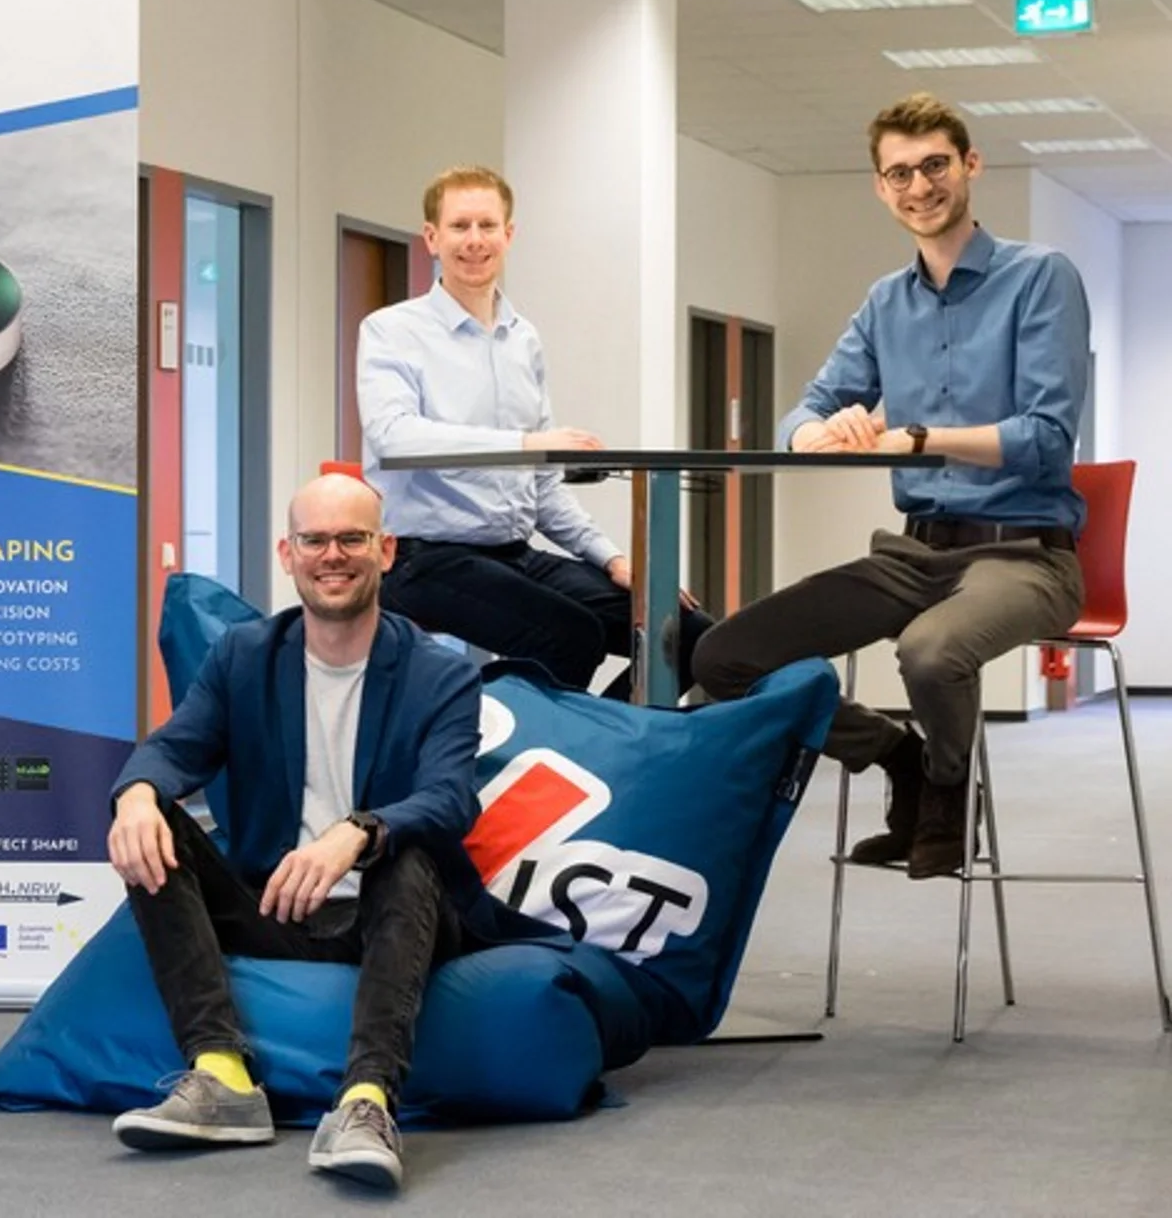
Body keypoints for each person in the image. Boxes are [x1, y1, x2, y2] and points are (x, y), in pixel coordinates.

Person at [692, 93, 1088, 879]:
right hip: (915, 555)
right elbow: (803, 411)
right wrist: (816, 431)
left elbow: (1046, 438)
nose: (920, 186)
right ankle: (898, 755)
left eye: (935, 165)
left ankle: (947, 790)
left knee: (929, 652)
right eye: (899, 173)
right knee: (724, 656)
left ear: (970, 165)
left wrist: (920, 437)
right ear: (880, 187)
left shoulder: (1040, 277)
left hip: (1027, 557)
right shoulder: (886, 302)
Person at [105, 473, 480, 1191]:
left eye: (352, 539)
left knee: (405, 856)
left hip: (398, 916)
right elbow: (173, 748)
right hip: (277, 906)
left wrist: (358, 832)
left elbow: (450, 799)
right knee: (153, 823)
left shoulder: (439, 675)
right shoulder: (244, 656)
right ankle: (221, 1075)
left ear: (386, 551)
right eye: (314, 540)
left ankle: (367, 1100)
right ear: (288, 553)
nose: (331, 556)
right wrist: (137, 796)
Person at [358, 165, 711, 701]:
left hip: (515, 553)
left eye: (487, 225)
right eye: (459, 226)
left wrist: (613, 558)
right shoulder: (391, 330)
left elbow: (543, 488)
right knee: (570, 637)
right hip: (422, 558)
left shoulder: (522, 340)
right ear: (431, 237)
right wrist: (526, 445)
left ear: (509, 234)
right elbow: (395, 437)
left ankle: (611, 739)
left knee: (688, 636)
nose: (474, 240)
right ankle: (496, 745)